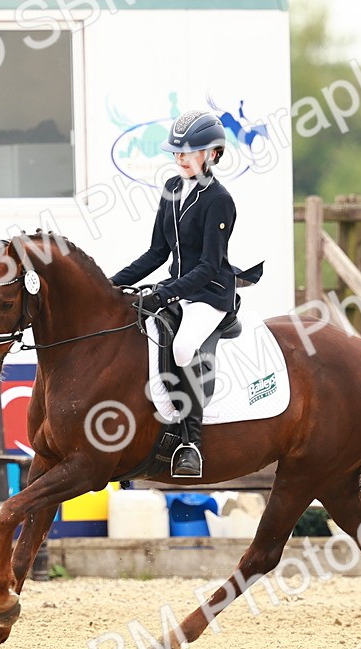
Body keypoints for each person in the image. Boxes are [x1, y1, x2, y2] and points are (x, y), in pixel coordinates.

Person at [111, 110, 259, 478]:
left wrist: (164, 294)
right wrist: (110, 285)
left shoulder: (219, 200)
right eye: (176, 153)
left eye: (189, 152)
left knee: (181, 346)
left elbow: (210, 265)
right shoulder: (172, 190)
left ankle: (189, 442)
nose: (180, 159)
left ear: (212, 155)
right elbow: (157, 253)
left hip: (210, 294)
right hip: (179, 290)